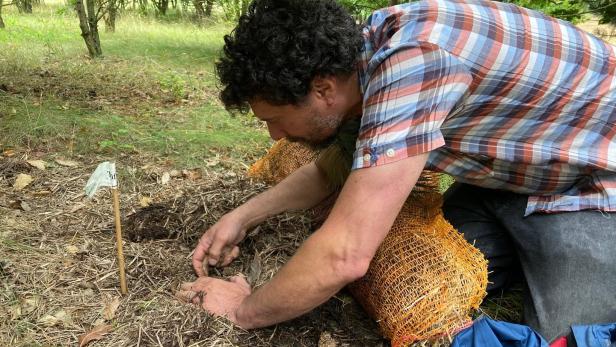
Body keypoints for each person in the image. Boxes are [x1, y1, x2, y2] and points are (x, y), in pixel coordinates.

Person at [175, 0, 616, 342]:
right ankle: (530, 257)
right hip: (506, 179)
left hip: (592, 185)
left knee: (565, 338)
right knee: (413, 278)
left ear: (322, 89)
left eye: (273, 118)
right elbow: (335, 168)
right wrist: (242, 217)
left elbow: (344, 253)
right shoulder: (361, 64)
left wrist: (242, 309)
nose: (274, 136)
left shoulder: (413, 62)